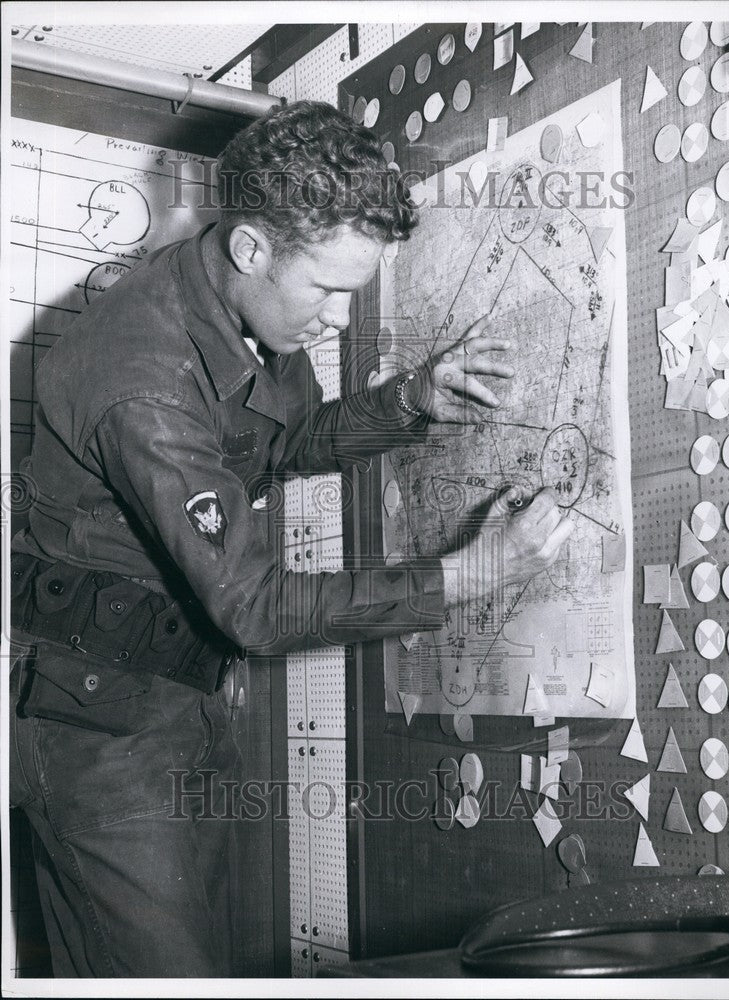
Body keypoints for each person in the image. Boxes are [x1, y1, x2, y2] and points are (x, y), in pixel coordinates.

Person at [8, 101, 573, 976]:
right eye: (329, 290)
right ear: (251, 250)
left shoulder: (240, 305)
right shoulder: (141, 377)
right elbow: (256, 608)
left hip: (184, 704)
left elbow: (281, 445)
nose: (340, 322)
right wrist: (464, 577)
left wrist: (408, 401)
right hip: (101, 738)